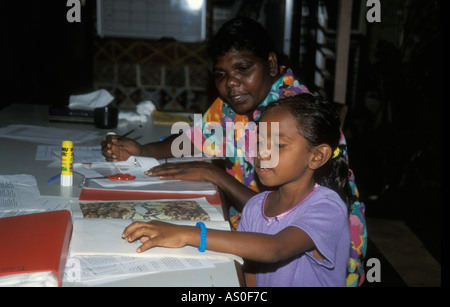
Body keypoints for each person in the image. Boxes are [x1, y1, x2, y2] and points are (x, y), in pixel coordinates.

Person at [101, 17, 366, 286]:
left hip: (313, 252)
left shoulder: (295, 116)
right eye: (221, 74)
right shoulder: (236, 103)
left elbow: (280, 238)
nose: (232, 83)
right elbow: (201, 137)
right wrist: (143, 149)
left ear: (271, 64)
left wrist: (215, 178)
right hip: (260, 233)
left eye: (243, 68)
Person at [122, 94, 352, 287]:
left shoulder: (327, 207)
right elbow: (249, 272)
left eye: (278, 145)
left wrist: (189, 234)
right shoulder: (256, 206)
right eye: (260, 142)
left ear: (317, 156)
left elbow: (275, 248)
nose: (262, 153)